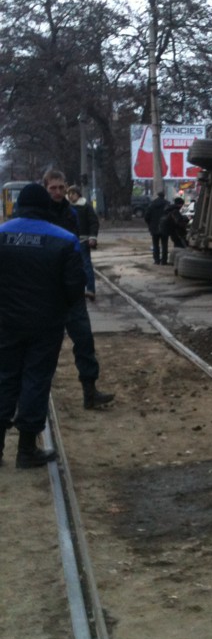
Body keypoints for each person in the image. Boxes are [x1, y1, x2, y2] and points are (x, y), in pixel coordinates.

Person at [0, 184, 86, 468]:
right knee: (36, 381)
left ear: (19, 205)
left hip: (5, 322)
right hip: (45, 323)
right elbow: (75, 287)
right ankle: (26, 450)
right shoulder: (65, 239)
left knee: (4, 378)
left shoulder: (2, 234)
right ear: (46, 206)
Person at [43, 169, 115, 410]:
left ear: (66, 188)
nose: (57, 192)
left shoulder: (71, 213)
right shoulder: (39, 214)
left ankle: (90, 391)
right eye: (52, 188)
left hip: (72, 292)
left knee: (84, 342)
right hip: (47, 294)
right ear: (45, 189)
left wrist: (80, 281)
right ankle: (39, 398)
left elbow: (75, 250)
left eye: (60, 187)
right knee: (44, 348)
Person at [66, 184, 100, 298]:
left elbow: (94, 222)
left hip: (83, 240)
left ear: (78, 194)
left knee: (86, 265)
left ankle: (90, 289)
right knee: (71, 266)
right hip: (69, 241)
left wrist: (92, 237)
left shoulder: (85, 206)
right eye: (69, 193)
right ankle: (74, 290)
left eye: (73, 193)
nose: (71, 196)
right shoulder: (66, 207)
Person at [144, 191, 170, 265]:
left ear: (158, 196)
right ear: (164, 196)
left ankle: (156, 260)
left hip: (154, 227)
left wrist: (150, 224)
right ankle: (164, 261)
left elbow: (146, 216)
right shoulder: (167, 204)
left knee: (155, 245)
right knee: (164, 245)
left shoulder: (152, 204)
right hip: (165, 227)